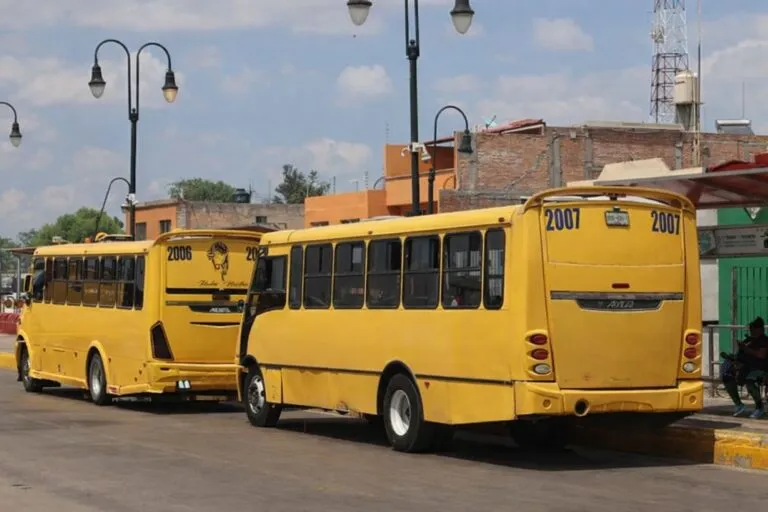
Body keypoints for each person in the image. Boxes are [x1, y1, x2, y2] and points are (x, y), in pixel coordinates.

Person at [720, 317, 768, 419]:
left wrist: (746, 349)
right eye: (750, 329)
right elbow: (741, 355)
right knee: (727, 376)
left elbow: (761, 355)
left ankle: (759, 407)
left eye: (753, 329)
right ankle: (739, 404)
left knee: (750, 381)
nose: (751, 331)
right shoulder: (749, 340)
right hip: (745, 367)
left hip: (760, 368)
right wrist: (733, 359)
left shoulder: (764, 340)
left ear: (759, 329)